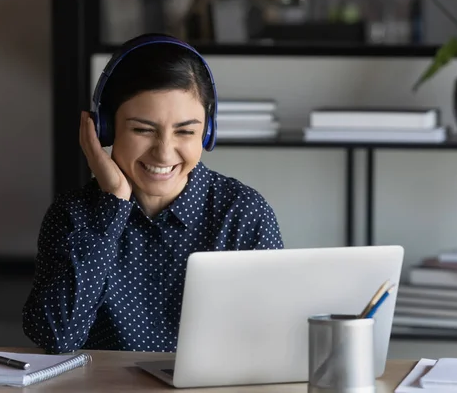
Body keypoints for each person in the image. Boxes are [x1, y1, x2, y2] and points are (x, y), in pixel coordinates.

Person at [22, 33, 284, 354]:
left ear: (208, 131)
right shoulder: (74, 214)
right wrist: (113, 205)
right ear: (104, 127)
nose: (163, 153)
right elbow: (55, 338)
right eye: (143, 130)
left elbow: (272, 340)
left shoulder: (243, 214)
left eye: (186, 131)